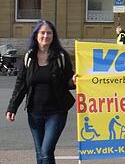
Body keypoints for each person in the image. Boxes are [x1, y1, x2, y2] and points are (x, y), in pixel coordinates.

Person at [6, 20, 76, 164]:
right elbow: (21, 84)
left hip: (56, 112)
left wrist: (73, 81)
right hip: (34, 112)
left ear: (53, 36)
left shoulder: (61, 56)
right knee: (40, 153)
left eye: (49, 33)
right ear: (36, 35)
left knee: (46, 151)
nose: (45, 36)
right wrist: (12, 107)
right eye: (42, 32)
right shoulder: (28, 56)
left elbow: (68, 81)